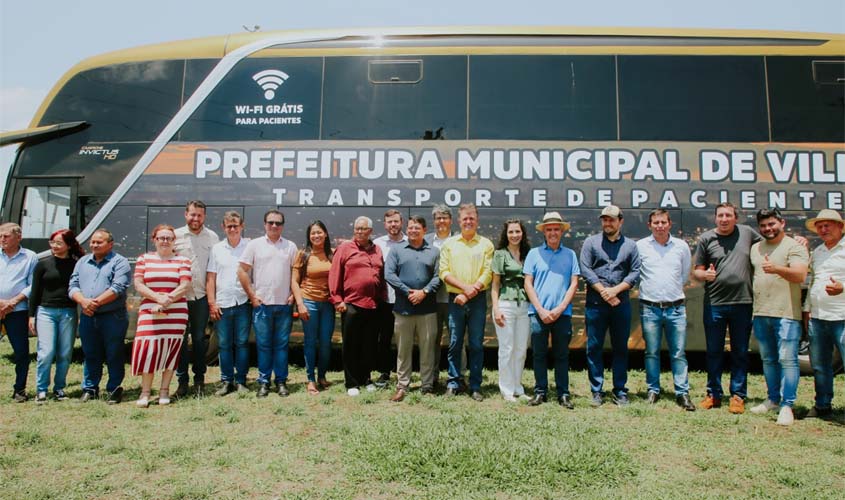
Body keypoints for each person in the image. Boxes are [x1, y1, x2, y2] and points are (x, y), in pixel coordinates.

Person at [693, 202, 762, 414]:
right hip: (715, 303)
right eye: (720, 215)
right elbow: (697, 271)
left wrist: (798, 240)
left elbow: (771, 243)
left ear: (736, 218)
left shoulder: (747, 233)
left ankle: (738, 396)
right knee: (714, 351)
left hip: (743, 302)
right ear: (715, 218)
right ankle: (713, 394)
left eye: (728, 215)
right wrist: (705, 275)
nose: (724, 219)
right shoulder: (706, 239)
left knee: (740, 352)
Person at [747, 208, 808, 426]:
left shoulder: (794, 246)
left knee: (788, 360)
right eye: (763, 225)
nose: (768, 229)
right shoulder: (756, 248)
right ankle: (773, 399)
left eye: (772, 224)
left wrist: (777, 269)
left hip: (787, 314)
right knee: (768, 360)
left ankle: (787, 405)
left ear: (782, 223)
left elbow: (800, 275)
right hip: (761, 312)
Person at [580, 205, 641, 407]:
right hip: (595, 304)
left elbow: (635, 272)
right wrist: (604, 292)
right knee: (594, 348)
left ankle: (620, 391)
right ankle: (596, 391)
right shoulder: (591, 243)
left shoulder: (630, 246)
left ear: (620, 221)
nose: (607, 223)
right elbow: (586, 269)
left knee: (620, 348)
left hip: (620, 304)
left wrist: (614, 291)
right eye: (605, 220)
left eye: (611, 220)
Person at [636, 209, 695, 411]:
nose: (660, 226)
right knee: (651, 352)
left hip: (675, 308)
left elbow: (684, 275)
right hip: (650, 308)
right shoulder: (641, 246)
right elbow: (637, 273)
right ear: (649, 225)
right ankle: (653, 390)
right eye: (656, 222)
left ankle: (682, 392)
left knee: (678, 353)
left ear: (670, 224)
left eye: (663, 222)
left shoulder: (681, 246)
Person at [238, 209, 298, 397]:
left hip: (284, 304)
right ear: (265, 224)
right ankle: (264, 382)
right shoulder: (254, 245)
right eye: (271, 222)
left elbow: (297, 274)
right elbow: (241, 271)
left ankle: (281, 381)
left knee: (281, 346)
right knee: (263, 345)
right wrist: (252, 296)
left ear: (282, 226)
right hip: (262, 305)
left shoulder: (290, 246)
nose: (274, 225)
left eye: (278, 223)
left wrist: (293, 295)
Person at [131, 224, 192, 407]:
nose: (165, 241)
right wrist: (158, 298)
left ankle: (164, 390)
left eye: (169, 238)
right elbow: (138, 284)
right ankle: (145, 392)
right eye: (161, 238)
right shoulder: (144, 259)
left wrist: (168, 300)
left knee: (171, 351)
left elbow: (185, 285)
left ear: (174, 241)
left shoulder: (183, 260)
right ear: (154, 240)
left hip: (176, 312)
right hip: (149, 311)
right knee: (148, 350)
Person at [69, 228, 132, 404]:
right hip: (88, 316)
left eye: (99, 242)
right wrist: (83, 301)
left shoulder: (120, 262)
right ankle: (90, 388)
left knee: (114, 353)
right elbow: (73, 285)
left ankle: (114, 388)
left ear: (110, 244)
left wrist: (93, 304)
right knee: (90, 353)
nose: (94, 245)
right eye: (93, 242)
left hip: (113, 316)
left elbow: (118, 288)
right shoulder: (82, 262)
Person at [524, 213, 580, 409]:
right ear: (544, 232)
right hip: (538, 313)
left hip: (562, 314)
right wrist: (540, 309)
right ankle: (540, 392)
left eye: (556, 229)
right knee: (538, 355)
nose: (553, 233)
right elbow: (528, 283)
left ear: (562, 231)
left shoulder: (570, 255)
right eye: (549, 229)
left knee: (562, 355)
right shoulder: (534, 254)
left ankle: (563, 394)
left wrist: (560, 308)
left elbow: (574, 283)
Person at [439, 203, 494, 401]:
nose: (468, 221)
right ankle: (453, 382)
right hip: (456, 299)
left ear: (477, 221)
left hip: (477, 299)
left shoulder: (486, 244)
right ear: (459, 221)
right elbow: (444, 272)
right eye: (465, 219)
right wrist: (465, 289)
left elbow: (488, 272)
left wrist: (470, 292)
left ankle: (476, 385)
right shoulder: (449, 244)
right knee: (455, 343)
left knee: (476, 344)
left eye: (472, 218)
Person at [384, 215, 441, 401]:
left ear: (424, 230)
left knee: (428, 348)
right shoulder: (397, 250)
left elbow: (439, 276)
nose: (413, 231)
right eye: (410, 228)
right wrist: (407, 291)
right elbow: (389, 274)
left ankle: (427, 385)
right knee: (403, 349)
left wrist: (424, 292)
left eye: (417, 227)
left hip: (427, 308)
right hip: (403, 308)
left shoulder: (434, 251)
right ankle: (402, 385)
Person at [329, 216, 386, 396]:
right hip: (351, 304)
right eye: (357, 229)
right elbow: (335, 274)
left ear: (370, 231)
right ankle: (351, 382)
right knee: (351, 345)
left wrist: (382, 299)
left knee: (368, 345)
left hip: (373, 304)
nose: (359, 232)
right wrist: (337, 299)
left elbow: (381, 276)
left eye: (363, 229)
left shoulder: (377, 250)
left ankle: (366, 378)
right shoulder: (345, 248)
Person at [28, 229, 85, 403]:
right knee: (46, 352)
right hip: (46, 311)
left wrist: (80, 313)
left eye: (59, 243)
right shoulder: (43, 264)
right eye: (52, 242)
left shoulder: (76, 264)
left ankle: (59, 387)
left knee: (65, 352)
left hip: (68, 312)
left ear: (69, 245)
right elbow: (35, 291)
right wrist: (31, 316)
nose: (54, 246)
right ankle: (41, 389)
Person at [174, 200, 219, 397]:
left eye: (199, 215)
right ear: (186, 214)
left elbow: (215, 268)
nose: (196, 218)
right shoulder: (175, 236)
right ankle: (182, 382)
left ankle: (199, 379)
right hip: (179, 297)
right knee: (180, 340)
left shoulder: (212, 237)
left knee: (200, 340)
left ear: (204, 216)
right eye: (192, 214)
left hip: (201, 297)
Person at [803, 209, 845, 419]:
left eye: (828, 225)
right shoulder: (818, 252)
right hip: (818, 318)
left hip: (842, 316)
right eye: (820, 226)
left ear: (841, 227)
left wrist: (843, 287)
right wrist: (807, 309)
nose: (823, 229)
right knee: (820, 365)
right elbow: (813, 283)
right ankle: (822, 405)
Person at [207, 211, 251, 396]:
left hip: (243, 302)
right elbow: (211, 277)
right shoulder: (217, 249)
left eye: (236, 226)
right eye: (229, 226)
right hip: (223, 303)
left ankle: (241, 381)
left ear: (242, 226)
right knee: (224, 344)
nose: (233, 229)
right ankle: (226, 381)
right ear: (223, 228)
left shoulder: (249, 246)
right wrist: (212, 302)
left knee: (242, 343)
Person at [291, 220, 335, 395]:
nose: (316, 235)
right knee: (310, 342)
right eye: (313, 233)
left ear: (325, 234)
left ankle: (322, 376)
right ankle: (310, 379)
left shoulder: (332, 254)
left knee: (325, 342)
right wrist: (300, 304)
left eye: (319, 232)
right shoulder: (303, 254)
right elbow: (294, 281)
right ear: (309, 236)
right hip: (308, 302)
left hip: (328, 304)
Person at [425, 204, 465, 387]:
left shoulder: (459, 239)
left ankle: (459, 376)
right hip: (430, 299)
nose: (441, 221)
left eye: (444, 217)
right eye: (438, 218)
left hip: (453, 298)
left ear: (451, 220)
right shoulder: (426, 240)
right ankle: (431, 378)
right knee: (431, 340)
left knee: (457, 339)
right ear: (433, 221)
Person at [490, 218, 531, 402]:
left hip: (524, 305)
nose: (515, 235)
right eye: (511, 232)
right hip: (505, 304)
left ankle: (517, 387)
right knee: (507, 348)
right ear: (506, 234)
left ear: (523, 233)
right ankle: (506, 389)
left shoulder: (528, 254)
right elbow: (495, 285)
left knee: (521, 349)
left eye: (517, 231)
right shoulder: (500, 254)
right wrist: (496, 308)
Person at [0, 223, 38, 402]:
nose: (2, 239)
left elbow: (33, 284)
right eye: (0, 236)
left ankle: (19, 390)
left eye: (6, 236)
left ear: (18, 237)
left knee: (21, 352)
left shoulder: (30, 257)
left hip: (17, 310)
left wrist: (12, 302)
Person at [373, 209, 407, 388]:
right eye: (390, 222)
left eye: (396, 221)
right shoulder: (377, 244)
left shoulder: (410, 242)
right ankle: (384, 372)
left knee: (405, 339)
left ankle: (404, 373)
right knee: (384, 338)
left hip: (405, 298)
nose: (393, 225)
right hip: (384, 299)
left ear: (402, 223)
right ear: (385, 224)